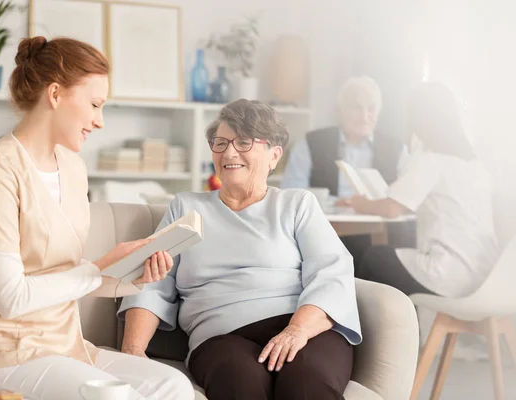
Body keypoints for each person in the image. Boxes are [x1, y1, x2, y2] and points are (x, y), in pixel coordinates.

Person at [0, 36, 195, 400]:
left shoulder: (74, 168)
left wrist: (134, 275)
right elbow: (11, 298)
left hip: (64, 344)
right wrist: (96, 269)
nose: (100, 121)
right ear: (55, 94)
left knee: (173, 385)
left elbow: (70, 274)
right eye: (95, 104)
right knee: (112, 396)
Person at [118, 99, 362, 400]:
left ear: (274, 155)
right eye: (220, 143)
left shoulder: (297, 204)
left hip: (300, 326)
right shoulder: (187, 207)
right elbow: (153, 281)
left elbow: (332, 272)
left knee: (306, 383)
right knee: (238, 383)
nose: (229, 152)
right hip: (221, 336)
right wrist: (132, 351)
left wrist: (297, 329)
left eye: (244, 142)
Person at [351, 82, 500, 297]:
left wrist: (360, 203)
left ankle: (360, 328)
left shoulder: (431, 159)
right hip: (485, 277)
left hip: (449, 274)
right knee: (390, 259)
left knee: (375, 257)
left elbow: (392, 208)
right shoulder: (476, 164)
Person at [280, 76, 410, 267]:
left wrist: (366, 205)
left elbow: (408, 200)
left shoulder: (397, 149)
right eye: (356, 108)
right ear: (339, 111)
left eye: (371, 108)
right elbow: (290, 194)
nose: (364, 116)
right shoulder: (311, 143)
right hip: (322, 233)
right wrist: (336, 203)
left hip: (379, 238)